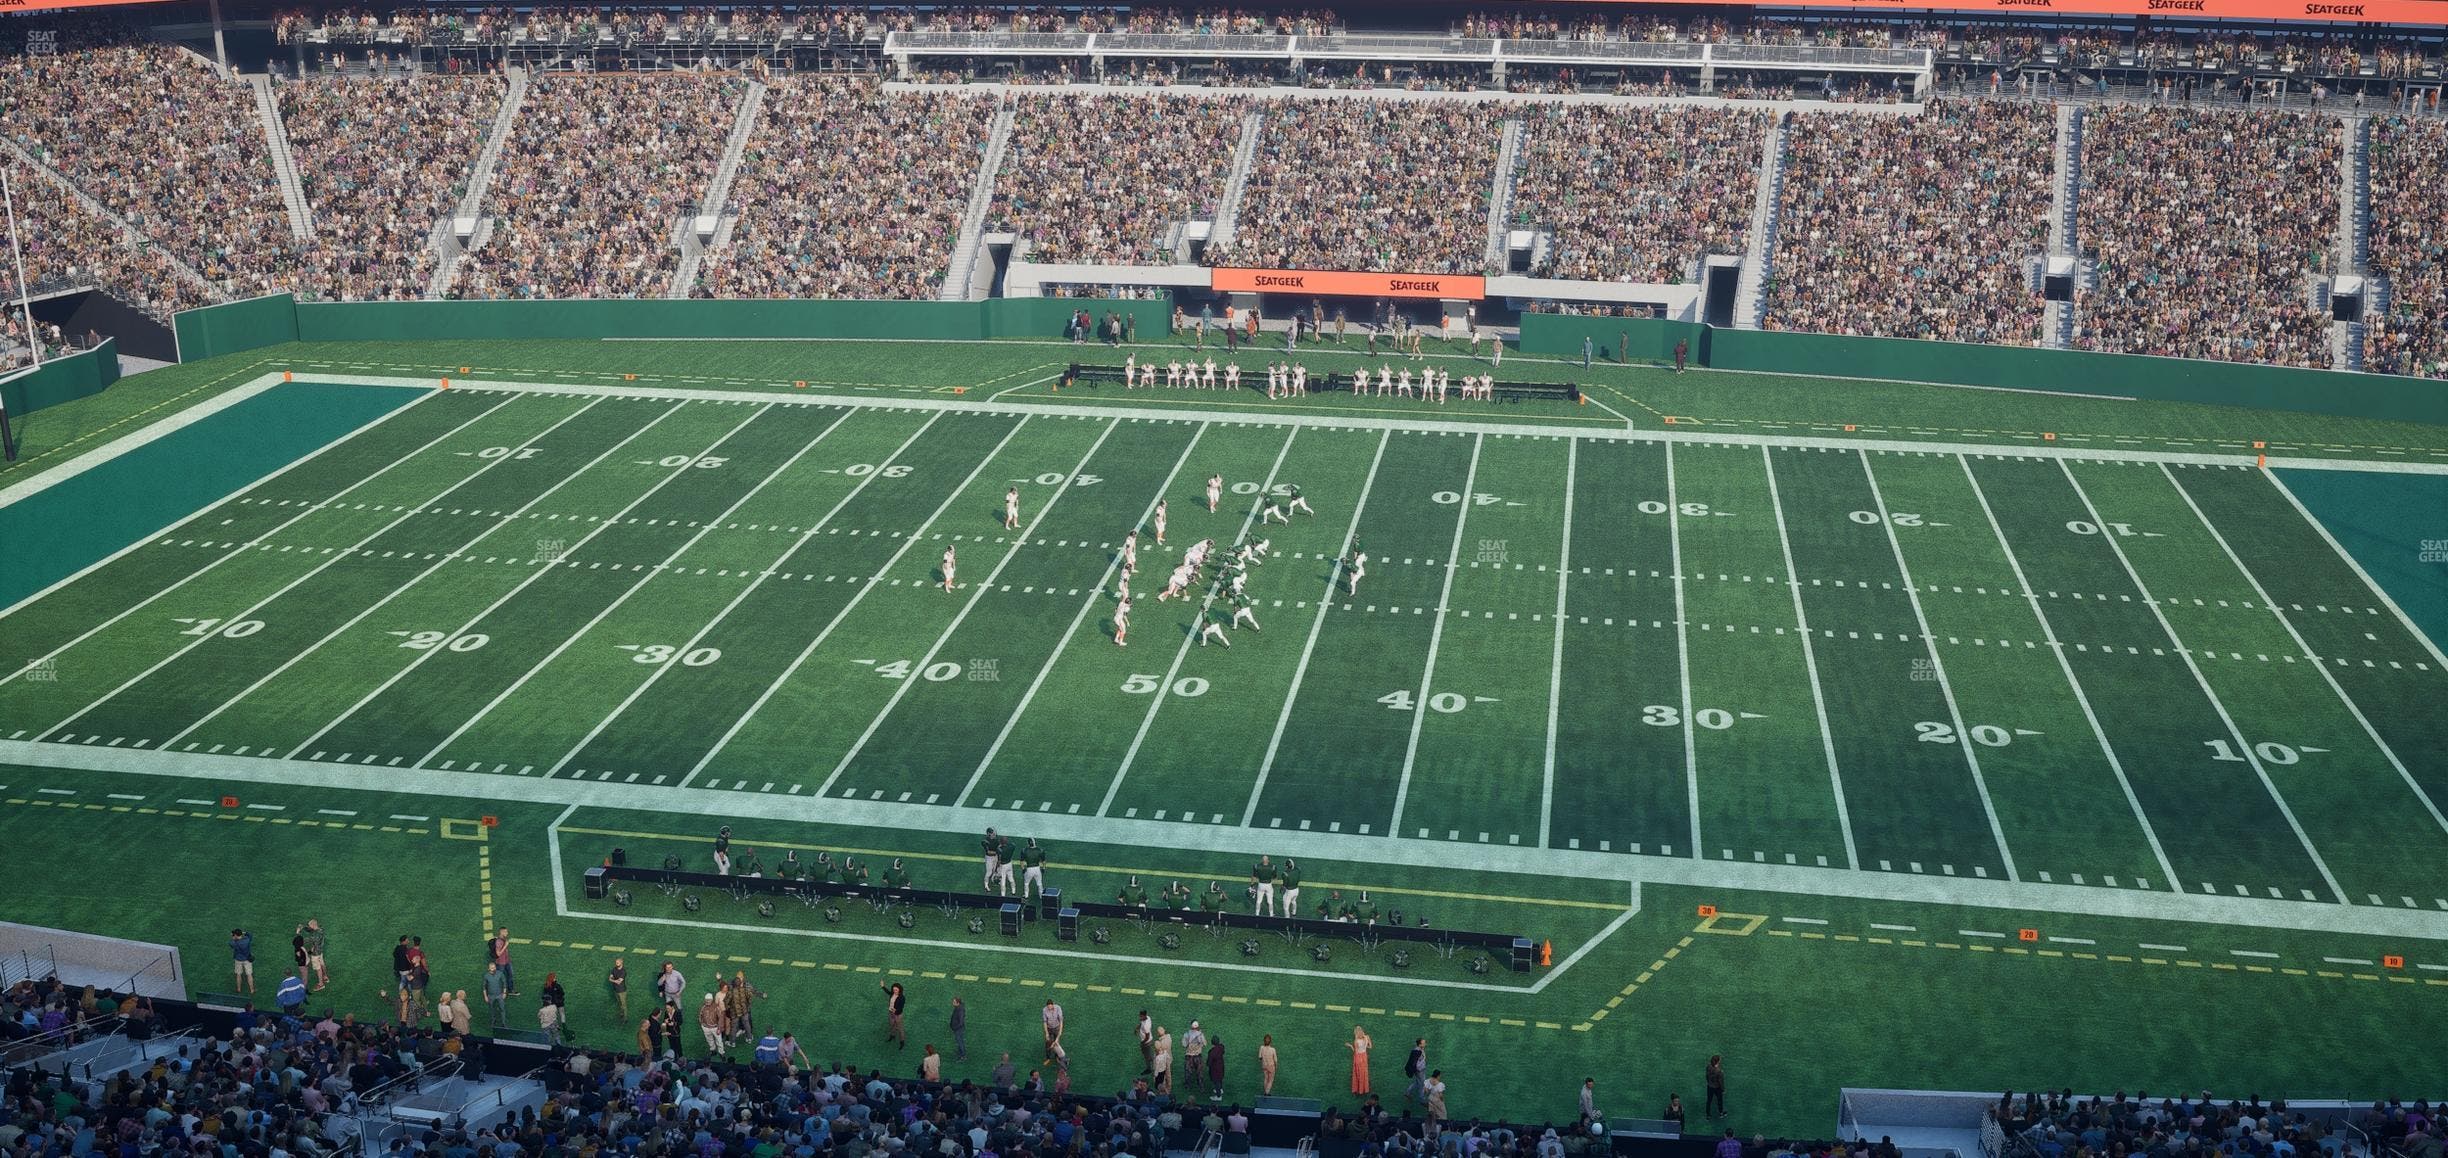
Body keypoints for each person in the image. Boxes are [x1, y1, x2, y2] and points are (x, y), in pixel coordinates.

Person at [299, 919, 329, 991]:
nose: (309, 926)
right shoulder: (321, 929)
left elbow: (306, 940)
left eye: (310, 925)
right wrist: (303, 927)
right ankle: (325, 977)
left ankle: (321, 984)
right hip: (320, 951)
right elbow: (311, 930)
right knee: (322, 963)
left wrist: (298, 935)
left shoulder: (315, 936)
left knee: (318, 968)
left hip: (315, 953)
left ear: (313, 925)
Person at [1182, 1021, 1207, 1094]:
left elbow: (1184, 1045)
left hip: (1189, 1056)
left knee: (1188, 1072)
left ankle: (1187, 1085)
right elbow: (1205, 1043)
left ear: (1191, 1026)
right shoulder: (1201, 1035)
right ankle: (1201, 1086)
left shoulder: (1186, 1034)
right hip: (1198, 1056)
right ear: (1198, 1027)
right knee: (1199, 1072)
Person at [230, 928, 255, 995]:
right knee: (249, 975)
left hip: (238, 960)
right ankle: (252, 990)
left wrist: (234, 938)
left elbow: (231, 943)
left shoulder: (235, 943)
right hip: (247, 959)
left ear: (235, 935)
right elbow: (250, 935)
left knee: (238, 975)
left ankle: (239, 989)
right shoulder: (247, 940)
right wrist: (244, 932)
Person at [1404, 1038, 1428, 1108]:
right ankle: (1422, 1101)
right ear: (1420, 1044)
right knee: (1422, 1084)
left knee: (1417, 1082)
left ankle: (1407, 1093)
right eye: (1424, 1043)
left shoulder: (1419, 1049)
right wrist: (1424, 1058)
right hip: (1420, 1071)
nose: (1425, 1044)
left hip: (1420, 1070)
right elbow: (1415, 1063)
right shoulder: (1417, 1052)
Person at [883, 981, 908, 1048]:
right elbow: (888, 992)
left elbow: (901, 1007)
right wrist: (883, 986)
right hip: (891, 1013)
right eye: (893, 990)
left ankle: (902, 1041)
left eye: (896, 990)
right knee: (892, 1025)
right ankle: (892, 1035)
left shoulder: (902, 997)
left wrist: (896, 1011)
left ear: (899, 990)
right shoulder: (892, 993)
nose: (895, 991)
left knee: (900, 1029)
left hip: (897, 1015)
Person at [491, 927, 515, 994]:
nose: (507, 933)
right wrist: (505, 945)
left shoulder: (503, 939)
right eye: (505, 932)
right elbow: (498, 954)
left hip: (507, 961)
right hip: (500, 963)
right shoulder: (499, 942)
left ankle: (511, 990)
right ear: (501, 932)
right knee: (499, 977)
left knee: (510, 975)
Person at [1348, 1026, 1372, 1095]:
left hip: (1358, 1057)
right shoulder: (1367, 1037)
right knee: (1364, 1072)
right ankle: (1364, 1088)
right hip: (1364, 1056)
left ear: (1356, 1033)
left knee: (1358, 1073)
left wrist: (1351, 1046)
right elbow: (1370, 1047)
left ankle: (1359, 1089)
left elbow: (1356, 1051)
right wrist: (1365, 1047)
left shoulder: (1356, 1041)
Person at [483, 961, 507, 1026]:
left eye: (494, 967)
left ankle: (503, 1022)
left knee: (502, 1008)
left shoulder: (500, 973)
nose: (493, 969)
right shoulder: (486, 976)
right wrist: (485, 996)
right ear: (489, 969)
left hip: (500, 995)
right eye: (492, 968)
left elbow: (504, 983)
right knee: (492, 1009)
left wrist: (504, 993)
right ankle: (493, 1020)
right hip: (491, 996)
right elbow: (484, 987)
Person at [1042, 998, 1065, 1063]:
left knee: (1056, 1043)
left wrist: (1060, 1031)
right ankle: (1048, 1058)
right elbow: (1044, 1022)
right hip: (1049, 1028)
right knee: (1047, 1042)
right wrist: (1046, 1033)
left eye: (1050, 1007)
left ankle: (1057, 1057)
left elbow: (1061, 1020)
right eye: (1048, 1007)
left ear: (1053, 1005)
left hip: (1056, 1027)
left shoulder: (1058, 1008)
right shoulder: (1044, 1010)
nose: (1049, 1008)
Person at [607, 957, 629, 1021]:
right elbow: (610, 978)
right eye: (616, 962)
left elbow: (618, 982)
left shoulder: (623, 971)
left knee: (623, 1005)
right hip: (615, 990)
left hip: (622, 991)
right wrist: (615, 980)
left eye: (617, 962)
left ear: (621, 963)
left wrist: (613, 980)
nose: (616, 963)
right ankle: (621, 1013)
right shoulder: (614, 969)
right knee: (619, 1003)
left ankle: (625, 1018)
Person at [1207, 1035, 1227, 1100]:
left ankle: (1218, 1096)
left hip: (1215, 1069)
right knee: (1220, 1079)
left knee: (1216, 1081)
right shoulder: (1221, 1047)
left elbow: (1209, 1063)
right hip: (1221, 1066)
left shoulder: (1211, 1052)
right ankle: (1220, 1089)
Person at [1138, 1009, 1156, 1074]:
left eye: (1141, 1016)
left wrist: (1142, 1043)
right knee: (1148, 1056)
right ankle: (1151, 1067)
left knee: (1148, 1057)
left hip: (1146, 1043)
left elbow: (1147, 1037)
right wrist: (1137, 1027)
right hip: (1148, 1041)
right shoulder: (1148, 1017)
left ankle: (1151, 1069)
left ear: (1144, 1015)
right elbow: (1141, 1023)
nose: (1140, 1017)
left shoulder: (1146, 1026)